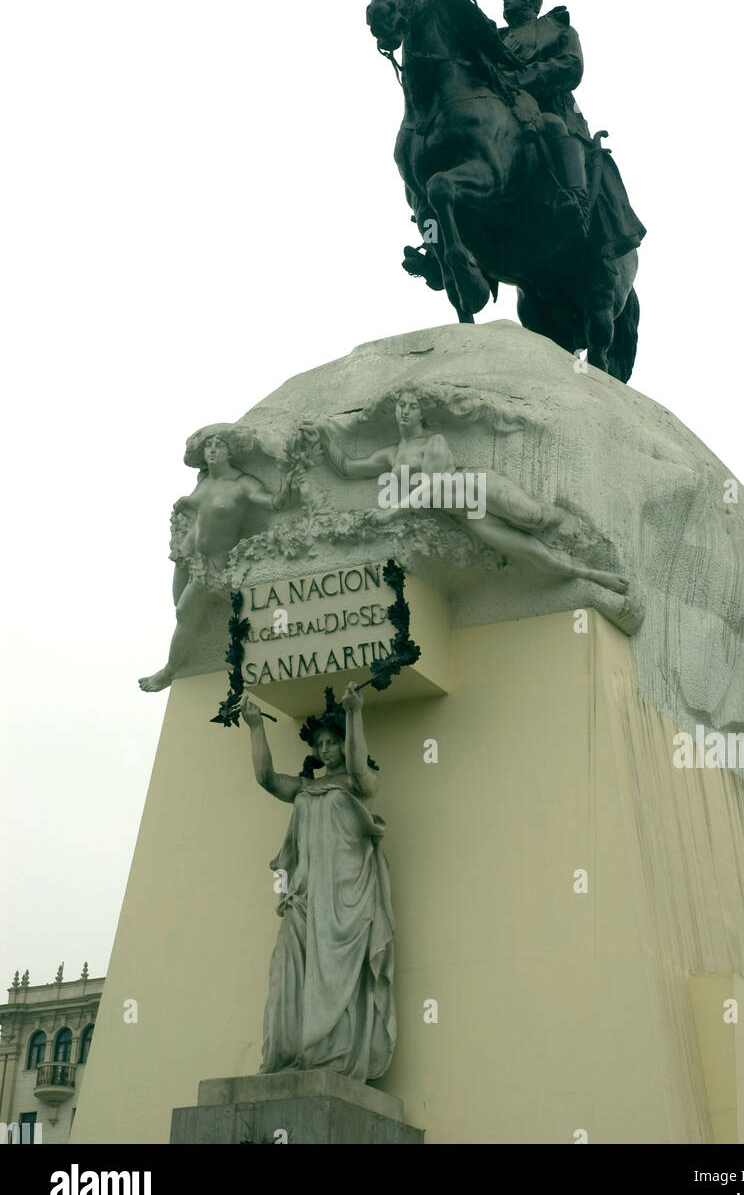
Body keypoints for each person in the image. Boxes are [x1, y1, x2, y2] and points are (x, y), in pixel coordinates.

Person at [305, 389, 628, 589]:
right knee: (531, 552)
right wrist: (323, 434)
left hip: (478, 488)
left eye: (412, 406)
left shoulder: (434, 441)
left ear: (422, 413)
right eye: (400, 405)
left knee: (533, 516)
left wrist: (392, 511)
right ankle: (596, 576)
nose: (404, 411)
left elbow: (434, 485)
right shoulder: (389, 455)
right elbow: (347, 468)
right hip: (469, 516)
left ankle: (566, 517)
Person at [242, 684, 396, 1080]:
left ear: (345, 744)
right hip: (305, 896)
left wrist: (354, 714)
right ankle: (286, 1053)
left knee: (336, 977)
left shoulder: (362, 784)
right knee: (286, 972)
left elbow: (360, 769)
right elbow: (265, 778)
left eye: (332, 742)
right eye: (320, 743)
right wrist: (256, 726)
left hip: (347, 897)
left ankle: (333, 1058)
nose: (325, 749)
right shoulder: (305, 789)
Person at [499, 0, 646, 260]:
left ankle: (576, 199)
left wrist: (521, 77)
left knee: (552, 124)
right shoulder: (498, 38)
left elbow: (571, 66)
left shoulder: (557, 28)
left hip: (551, 108)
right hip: (504, 109)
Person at [139, 425, 290, 692]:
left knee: (253, 613)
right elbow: (201, 511)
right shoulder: (204, 480)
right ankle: (170, 671)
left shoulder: (243, 483)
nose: (211, 450)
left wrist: (287, 491)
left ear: (230, 451)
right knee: (184, 612)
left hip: (227, 567)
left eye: (218, 445)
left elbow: (270, 502)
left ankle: (284, 654)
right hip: (200, 565)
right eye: (208, 446)